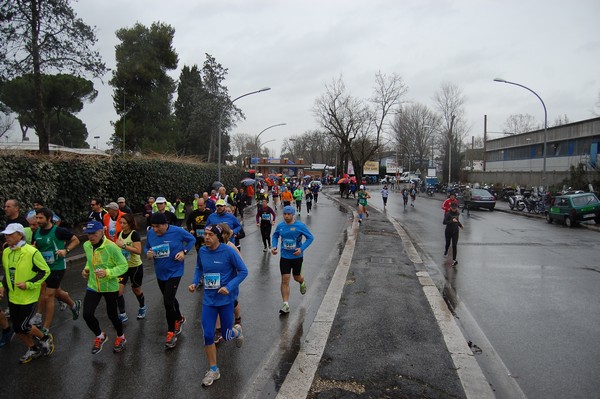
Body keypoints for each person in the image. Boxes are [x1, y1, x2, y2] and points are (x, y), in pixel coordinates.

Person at [188, 224, 247, 387]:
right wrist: (194, 282)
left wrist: (228, 287)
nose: (206, 237)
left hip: (225, 301)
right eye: (205, 234)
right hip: (209, 301)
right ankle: (213, 369)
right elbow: (199, 268)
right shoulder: (202, 251)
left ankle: (237, 330)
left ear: (218, 237)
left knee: (227, 335)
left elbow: (243, 271)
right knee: (208, 335)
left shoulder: (228, 251)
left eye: (210, 235)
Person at [0, 223, 53, 363]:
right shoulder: (6, 252)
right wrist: (1, 286)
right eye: (6, 234)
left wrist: (29, 284)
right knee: (17, 329)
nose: (7, 236)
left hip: (28, 297)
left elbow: (45, 271)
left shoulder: (31, 252)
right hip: (13, 297)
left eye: (10, 234)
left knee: (22, 326)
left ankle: (45, 338)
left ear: (20, 235)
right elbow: (6, 273)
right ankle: (33, 348)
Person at [145, 212, 195, 349]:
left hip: (175, 271)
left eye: (158, 226)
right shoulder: (151, 233)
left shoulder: (177, 231)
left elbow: (192, 239)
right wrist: (148, 253)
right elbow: (146, 247)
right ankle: (179, 318)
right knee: (170, 299)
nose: (155, 229)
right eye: (153, 226)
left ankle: (171, 333)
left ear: (165, 224)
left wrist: (183, 252)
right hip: (160, 272)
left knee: (167, 301)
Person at [81, 220, 129, 355]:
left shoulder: (112, 247)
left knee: (112, 315)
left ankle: (121, 337)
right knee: (87, 314)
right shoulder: (86, 245)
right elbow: (89, 260)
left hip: (109, 286)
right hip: (93, 285)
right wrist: (86, 269)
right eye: (88, 234)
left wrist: (107, 273)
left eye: (94, 233)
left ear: (101, 232)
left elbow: (123, 265)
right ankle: (100, 335)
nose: (91, 236)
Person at [31, 208, 81, 333]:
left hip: (57, 267)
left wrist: (66, 251)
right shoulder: (36, 232)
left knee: (49, 295)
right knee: (56, 291)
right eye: (37, 218)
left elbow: (76, 240)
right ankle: (74, 305)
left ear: (49, 219)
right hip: (43, 267)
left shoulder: (59, 231)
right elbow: (34, 246)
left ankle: (46, 328)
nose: (38, 220)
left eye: (40, 218)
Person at [271, 206, 314, 314]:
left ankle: (302, 282)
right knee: (285, 279)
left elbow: (310, 238)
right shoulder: (280, 226)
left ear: (292, 214)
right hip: (285, 257)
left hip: (297, 257)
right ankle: (285, 304)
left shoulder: (300, 226)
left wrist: (301, 249)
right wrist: (274, 246)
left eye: (288, 214)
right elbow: (275, 236)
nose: (286, 216)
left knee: (296, 277)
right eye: (285, 214)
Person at [115, 213, 146, 322]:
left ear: (130, 224)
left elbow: (138, 251)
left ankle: (142, 307)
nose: (122, 225)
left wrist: (123, 246)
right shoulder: (119, 234)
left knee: (136, 290)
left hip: (135, 266)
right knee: (118, 291)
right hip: (122, 267)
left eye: (124, 223)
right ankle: (123, 314)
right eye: (121, 223)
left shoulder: (134, 234)